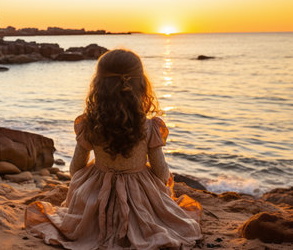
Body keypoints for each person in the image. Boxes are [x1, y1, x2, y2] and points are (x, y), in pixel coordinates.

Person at [25, 49, 202, 249]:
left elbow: (75, 168)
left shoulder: (90, 123)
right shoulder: (149, 126)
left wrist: (85, 186)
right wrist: (158, 190)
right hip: (139, 193)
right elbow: (161, 172)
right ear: (141, 84)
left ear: (98, 85)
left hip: (98, 192)